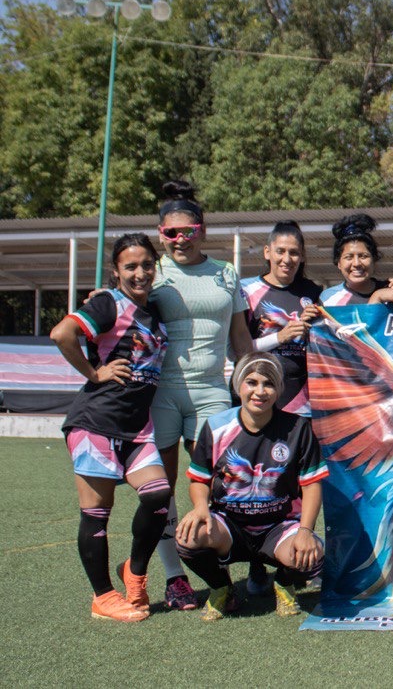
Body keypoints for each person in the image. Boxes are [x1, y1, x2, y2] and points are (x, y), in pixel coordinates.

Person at [50, 234, 173, 622]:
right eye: (130, 266)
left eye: (147, 265)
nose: (140, 273)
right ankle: (102, 597)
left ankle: (133, 572)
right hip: (95, 425)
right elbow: (61, 334)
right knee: (96, 514)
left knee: (158, 496)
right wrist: (95, 372)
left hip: (137, 429)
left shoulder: (154, 309)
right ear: (116, 271)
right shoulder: (108, 303)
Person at [148, 180, 253, 611]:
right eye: (170, 233)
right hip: (160, 393)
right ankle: (174, 577)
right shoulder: (151, 272)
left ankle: (219, 571)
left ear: (202, 230)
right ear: (160, 234)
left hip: (212, 390)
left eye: (187, 231)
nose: (179, 240)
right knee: (159, 490)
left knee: (219, 484)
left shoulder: (226, 272)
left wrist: (252, 384)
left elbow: (241, 338)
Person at [176, 352, 329, 621]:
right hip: (229, 526)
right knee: (189, 536)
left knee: (313, 553)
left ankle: (284, 582)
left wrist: (306, 530)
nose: (260, 391)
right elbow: (199, 479)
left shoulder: (297, 428)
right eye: (252, 382)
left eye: (268, 384)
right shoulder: (216, 426)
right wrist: (200, 507)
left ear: (279, 389)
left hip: (279, 526)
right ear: (238, 385)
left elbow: (312, 485)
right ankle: (222, 588)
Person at [240, 221, 323, 416]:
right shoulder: (245, 290)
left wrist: (316, 325)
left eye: (293, 253)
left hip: (301, 400)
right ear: (267, 252)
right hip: (258, 395)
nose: (287, 259)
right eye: (280, 251)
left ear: (302, 256)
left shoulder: (313, 291)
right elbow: (237, 350)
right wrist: (280, 337)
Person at [321, 214, 393, 308]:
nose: (356, 263)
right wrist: (377, 297)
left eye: (363, 256)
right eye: (349, 257)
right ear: (339, 263)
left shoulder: (390, 291)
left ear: (374, 259)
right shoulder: (328, 300)